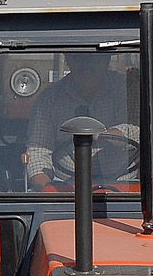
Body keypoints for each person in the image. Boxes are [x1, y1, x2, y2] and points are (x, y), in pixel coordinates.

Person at [23, 53, 138, 191]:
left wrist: (109, 135)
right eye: (78, 57)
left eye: (95, 58)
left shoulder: (126, 88)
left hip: (126, 190)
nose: (87, 66)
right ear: (68, 60)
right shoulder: (49, 99)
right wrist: (48, 189)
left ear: (107, 59)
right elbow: (38, 151)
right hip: (67, 190)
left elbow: (144, 132)